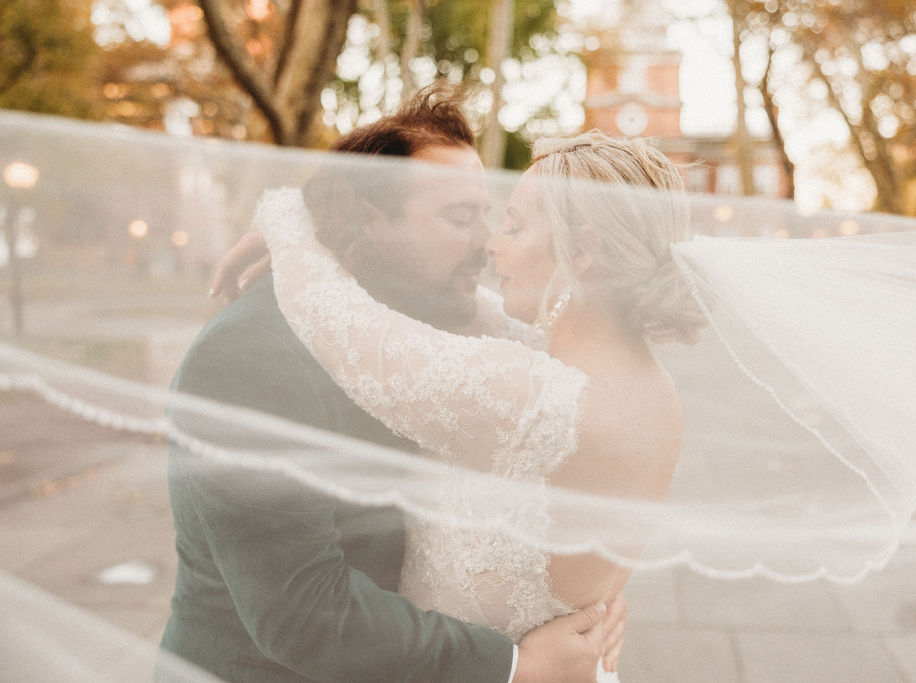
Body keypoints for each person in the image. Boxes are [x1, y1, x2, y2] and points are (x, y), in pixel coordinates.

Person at [160, 83, 622, 683]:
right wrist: (515, 666)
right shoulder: (249, 357)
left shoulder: (419, 324)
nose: (485, 241)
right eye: (460, 216)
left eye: (487, 215)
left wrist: (589, 598)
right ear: (368, 221)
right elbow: (302, 614)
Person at [254, 130, 704, 682]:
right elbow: (492, 318)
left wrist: (286, 218)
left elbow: (337, 322)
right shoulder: (650, 388)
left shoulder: (533, 400)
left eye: (513, 226)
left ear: (583, 250)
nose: (492, 244)